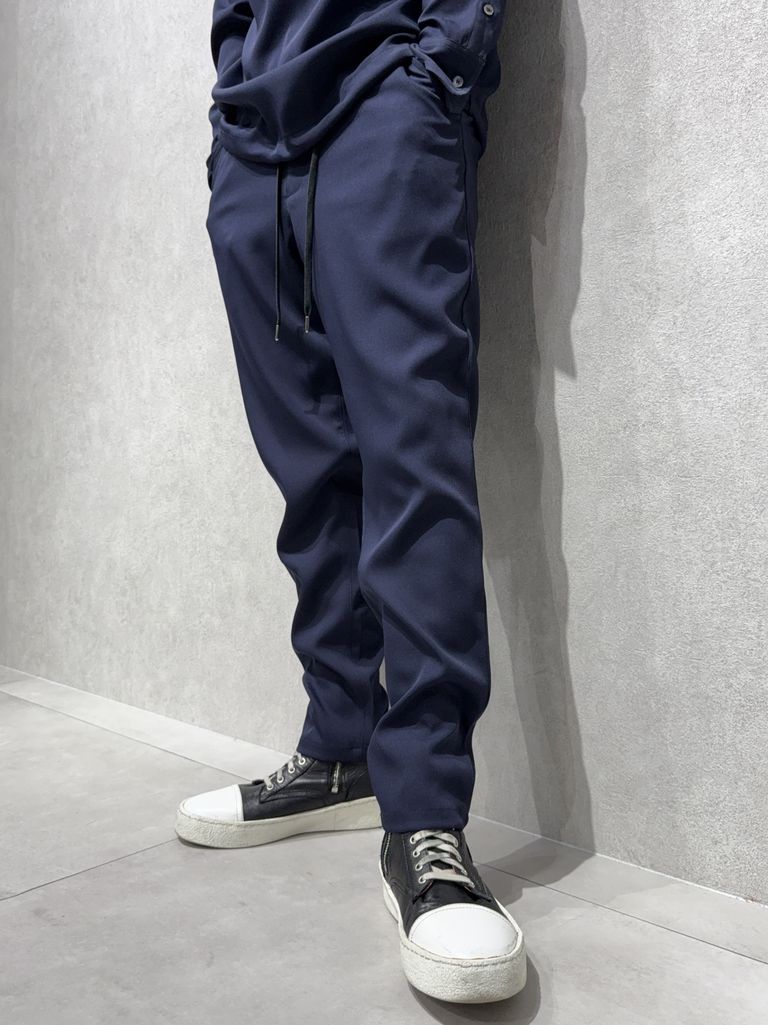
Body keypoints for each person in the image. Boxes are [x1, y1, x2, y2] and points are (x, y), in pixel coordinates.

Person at [176, 0, 526, 1004]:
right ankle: (340, 749)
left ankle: (426, 817)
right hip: (254, 141)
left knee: (414, 465)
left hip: (387, 93)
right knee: (309, 474)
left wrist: (438, 73)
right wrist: (231, 97)